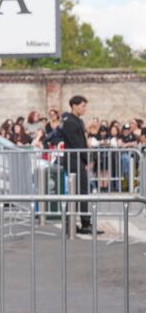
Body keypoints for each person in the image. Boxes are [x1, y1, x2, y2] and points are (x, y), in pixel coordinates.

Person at [59, 94, 100, 235]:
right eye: (83, 106)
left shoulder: (78, 121)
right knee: (79, 191)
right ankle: (82, 223)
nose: (85, 109)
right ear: (74, 106)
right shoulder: (70, 122)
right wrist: (86, 158)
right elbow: (76, 144)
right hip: (73, 159)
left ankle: (79, 222)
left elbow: (82, 141)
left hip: (77, 159)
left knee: (79, 191)